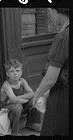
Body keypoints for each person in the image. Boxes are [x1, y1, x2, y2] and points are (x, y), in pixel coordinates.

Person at [33, 8, 69, 136]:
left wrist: (37, 94)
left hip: (63, 100)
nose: (49, 14)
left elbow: (50, 79)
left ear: (57, 11)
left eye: (50, 11)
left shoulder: (63, 38)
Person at [0, 59, 34, 136]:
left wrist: (19, 97)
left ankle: (31, 123)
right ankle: (15, 132)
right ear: (7, 74)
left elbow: (31, 93)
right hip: (6, 108)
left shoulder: (22, 81)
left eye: (17, 71)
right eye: (12, 71)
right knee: (17, 107)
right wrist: (23, 100)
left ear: (21, 72)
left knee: (34, 100)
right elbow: (14, 99)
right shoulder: (7, 85)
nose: (15, 74)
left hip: (19, 104)